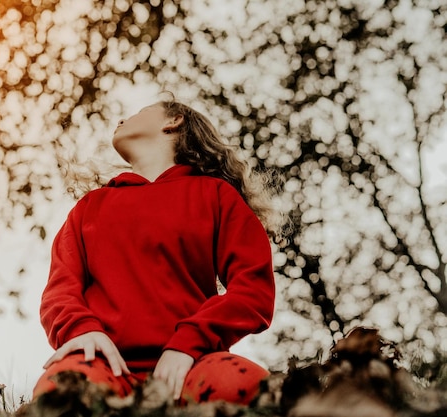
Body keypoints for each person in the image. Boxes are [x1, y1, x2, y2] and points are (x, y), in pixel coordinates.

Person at [32, 97, 281, 406]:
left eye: (140, 111)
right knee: (59, 394)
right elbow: (61, 288)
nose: (123, 119)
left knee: (248, 389)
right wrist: (79, 331)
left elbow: (253, 290)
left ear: (173, 121)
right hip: (106, 366)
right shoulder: (89, 208)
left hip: (192, 365)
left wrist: (189, 343)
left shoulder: (216, 196)